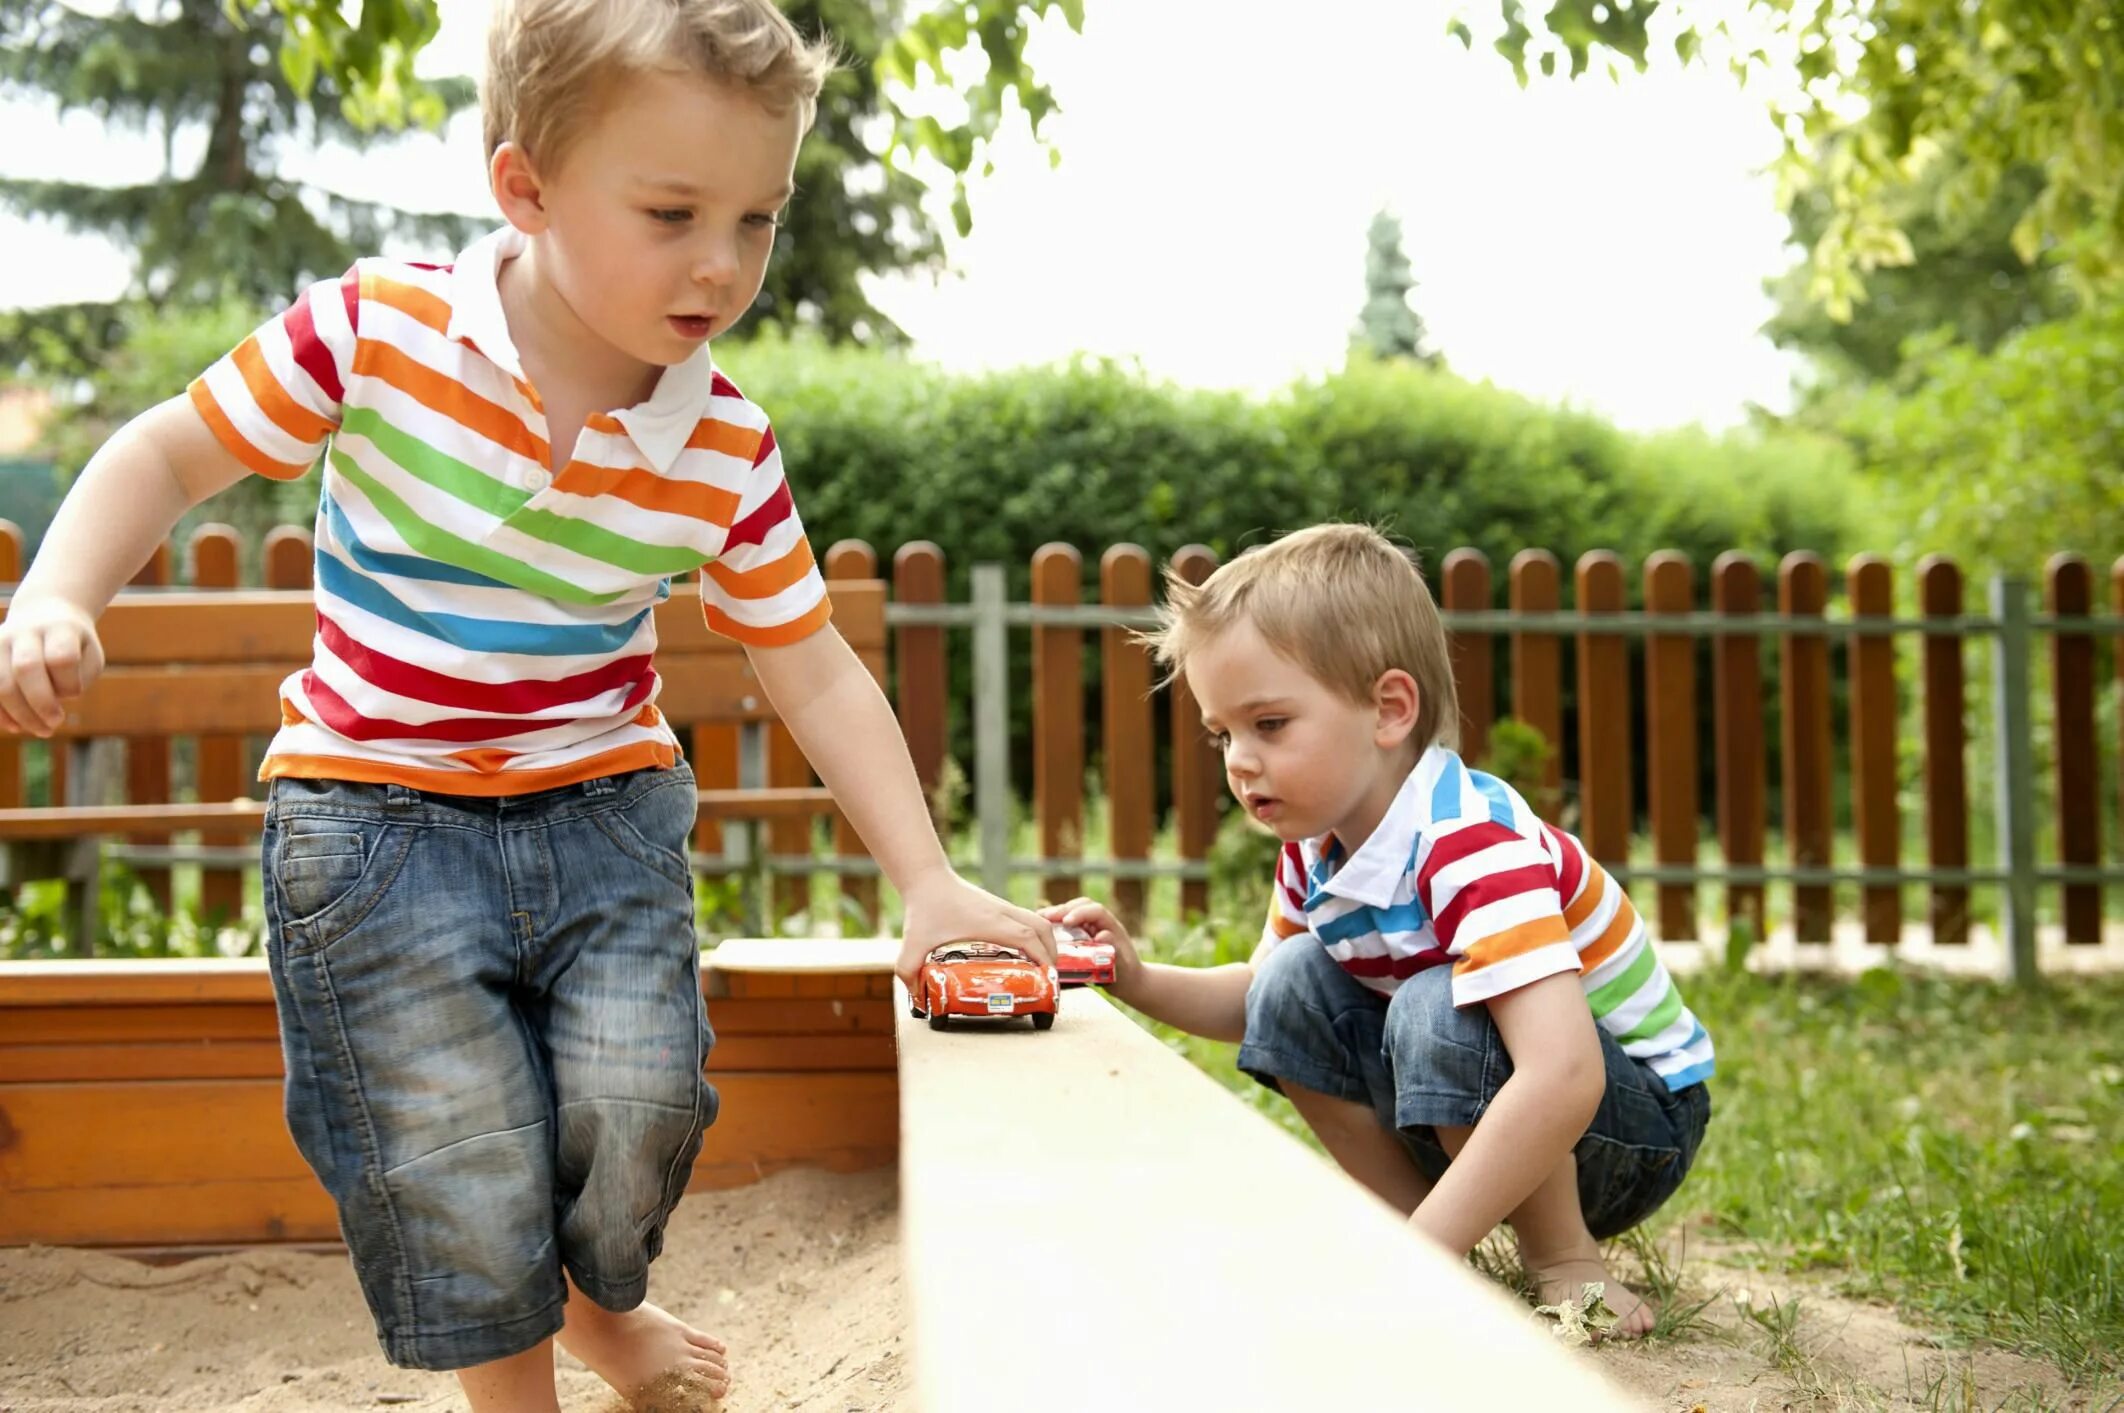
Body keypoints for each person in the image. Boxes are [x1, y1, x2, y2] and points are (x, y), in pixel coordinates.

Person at [0, 1, 1056, 1405]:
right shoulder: (379, 333)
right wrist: (59, 594)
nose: (722, 263)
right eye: (674, 211)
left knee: (642, 1101)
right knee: (451, 1140)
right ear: (526, 186)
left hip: (601, 816)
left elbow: (807, 659)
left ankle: (599, 1303)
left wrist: (924, 878)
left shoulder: (724, 443)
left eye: (758, 219)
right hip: (369, 821)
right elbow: (167, 452)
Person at [1043, 522, 1712, 1335]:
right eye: (1224, 733)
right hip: (1473, 1113)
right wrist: (1136, 976)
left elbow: (1565, 1073)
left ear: (1389, 709)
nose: (1239, 760)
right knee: (1290, 986)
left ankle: (1562, 1261)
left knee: (1437, 1002)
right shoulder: (1314, 849)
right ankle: (1416, 1239)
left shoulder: (1468, 842)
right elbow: (1260, 1001)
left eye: (1270, 724)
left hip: (1626, 1130)